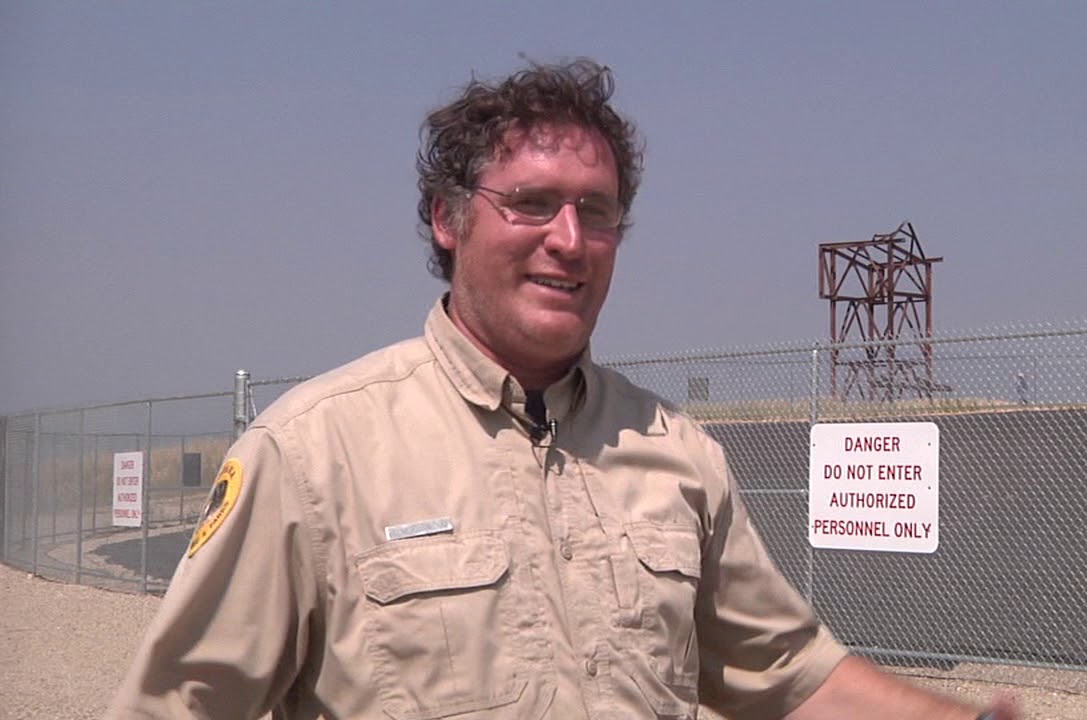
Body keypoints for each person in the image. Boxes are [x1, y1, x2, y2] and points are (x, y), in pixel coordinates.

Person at [108, 59, 1017, 720]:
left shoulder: (678, 454)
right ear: (447, 217)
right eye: (533, 203)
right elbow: (179, 705)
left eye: (599, 210)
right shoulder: (312, 453)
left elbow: (788, 675)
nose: (571, 240)